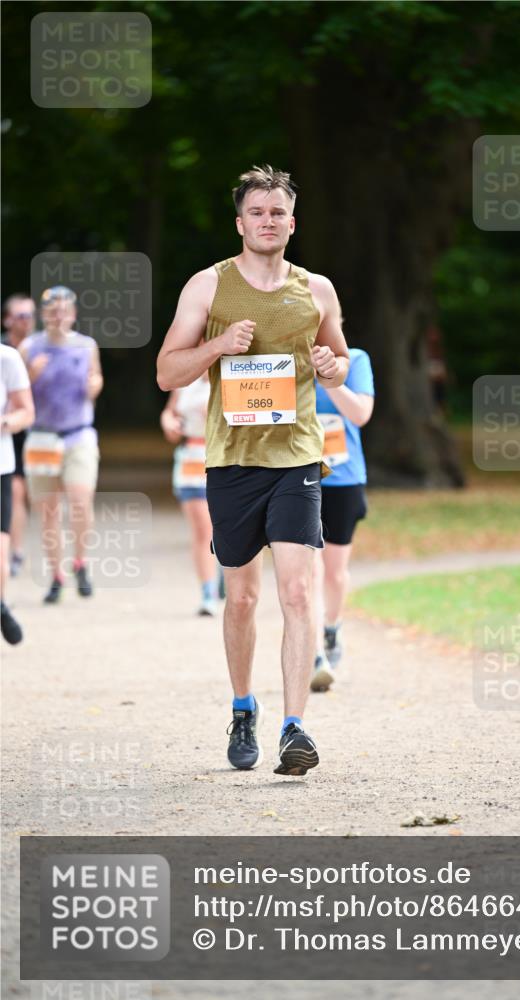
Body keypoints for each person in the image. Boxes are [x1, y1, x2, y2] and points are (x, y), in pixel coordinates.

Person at [157, 165, 349, 776]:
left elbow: (341, 359)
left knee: (297, 588)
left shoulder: (316, 289)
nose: (268, 221)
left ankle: (296, 728)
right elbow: (167, 372)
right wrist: (217, 346)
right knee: (241, 598)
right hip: (233, 461)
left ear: (293, 223)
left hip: (296, 457)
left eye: (278, 212)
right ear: (241, 223)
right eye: (257, 212)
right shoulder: (207, 288)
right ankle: (245, 708)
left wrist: (331, 366)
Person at [19, 286, 103, 604]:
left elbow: (96, 378)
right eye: (52, 311)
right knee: (48, 510)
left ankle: (80, 562)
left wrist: (95, 386)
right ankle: (56, 575)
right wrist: (31, 374)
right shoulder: (30, 347)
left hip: (78, 434)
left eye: (64, 310)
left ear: (73, 313)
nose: (58, 316)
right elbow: (16, 393)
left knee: (81, 501)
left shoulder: (86, 346)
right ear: (43, 315)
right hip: (42, 436)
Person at [311, 347, 375, 692]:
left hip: (343, 476)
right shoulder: (283, 353)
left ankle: (331, 628)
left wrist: (329, 374)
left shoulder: (356, 359)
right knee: (310, 567)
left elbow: (361, 413)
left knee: (334, 572)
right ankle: (315, 653)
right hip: (295, 477)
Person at [160, 369, 225, 616]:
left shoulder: (232, 377)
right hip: (190, 458)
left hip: (223, 460)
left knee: (224, 528)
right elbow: (170, 412)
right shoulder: (184, 381)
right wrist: (168, 422)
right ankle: (208, 592)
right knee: (202, 530)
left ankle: (222, 568)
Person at [0, 342, 34, 643]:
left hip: (1, 465)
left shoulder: (7, 358)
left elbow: (26, 411)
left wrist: (6, 422)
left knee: (0, 547)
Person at [1, 294, 36, 576]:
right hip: (12, 430)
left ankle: (16, 549)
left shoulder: (42, 346)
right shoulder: (7, 350)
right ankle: (12, 550)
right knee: (16, 489)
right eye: (21, 315)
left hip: (33, 430)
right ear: (8, 320)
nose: (27, 321)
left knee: (22, 491)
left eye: (30, 315)